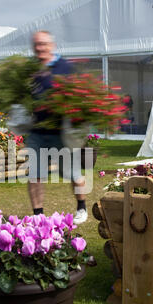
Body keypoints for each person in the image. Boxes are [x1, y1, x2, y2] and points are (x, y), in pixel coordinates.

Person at [26, 30, 88, 225]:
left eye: (43, 44)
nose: (40, 48)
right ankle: (38, 215)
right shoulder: (30, 70)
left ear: (51, 45)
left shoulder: (65, 68)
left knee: (73, 174)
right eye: (36, 44)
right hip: (36, 131)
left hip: (62, 132)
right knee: (35, 174)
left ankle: (82, 208)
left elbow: (79, 96)